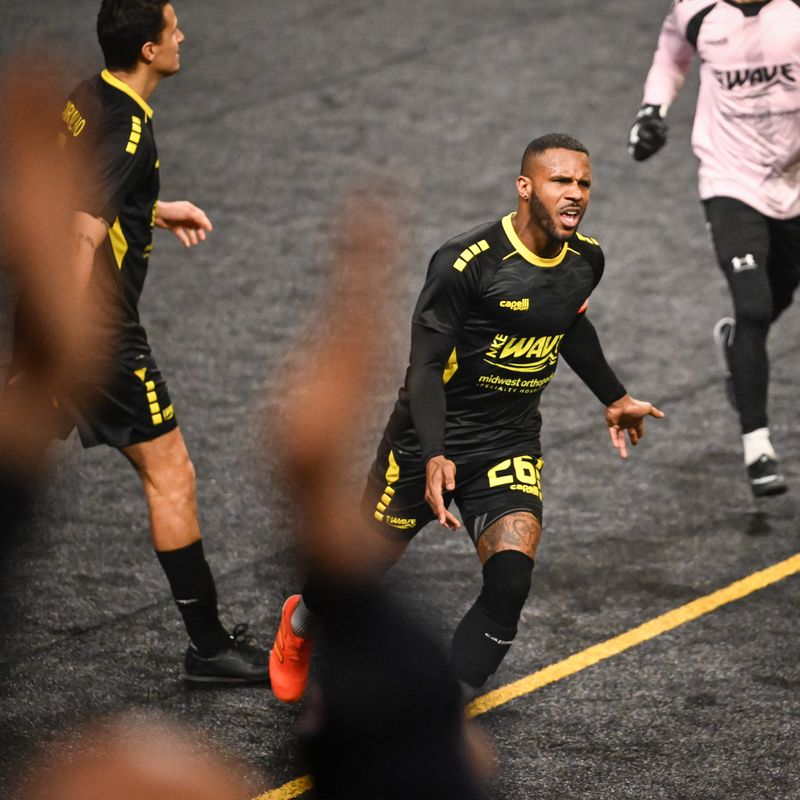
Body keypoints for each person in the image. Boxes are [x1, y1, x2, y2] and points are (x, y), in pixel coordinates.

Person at [268, 134, 664, 704]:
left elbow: (567, 324)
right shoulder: (464, 264)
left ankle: (443, 711)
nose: (575, 194)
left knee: (510, 582)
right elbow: (424, 368)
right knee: (350, 579)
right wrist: (433, 455)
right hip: (425, 442)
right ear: (525, 187)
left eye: (583, 183)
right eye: (560, 181)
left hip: (508, 441)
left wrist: (614, 394)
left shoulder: (586, 260)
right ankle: (298, 625)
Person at [16, 0, 268, 682]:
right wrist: (56, 349)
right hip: (97, 337)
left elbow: (78, 192)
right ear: (150, 51)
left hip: (59, 324)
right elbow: (79, 233)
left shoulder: (85, 96)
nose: (182, 35)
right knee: (172, 473)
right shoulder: (130, 131)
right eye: (173, 28)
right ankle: (209, 646)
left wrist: (150, 208)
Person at [628, 0, 800, 497]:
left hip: (793, 179)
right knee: (753, 305)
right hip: (730, 181)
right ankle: (758, 447)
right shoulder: (696, 10)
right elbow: (670, 52)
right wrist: (651, 110)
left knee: (775, 297)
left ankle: (736, 347)